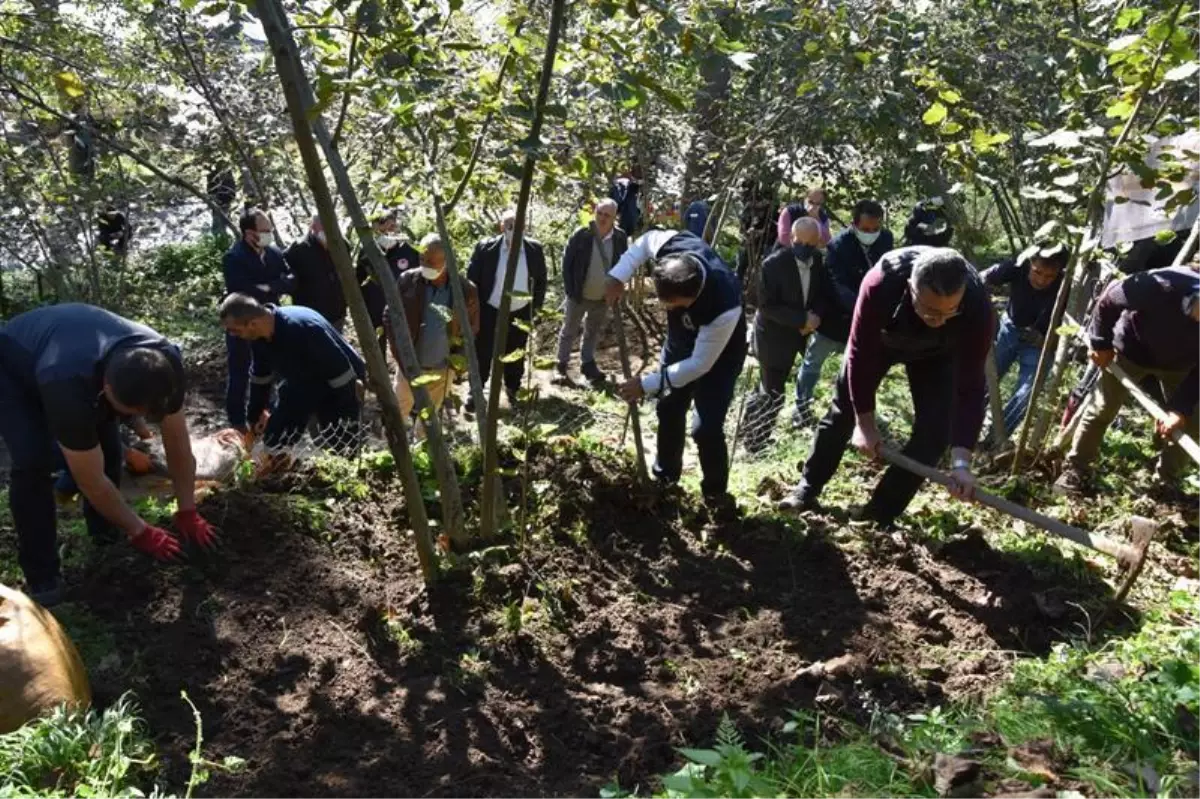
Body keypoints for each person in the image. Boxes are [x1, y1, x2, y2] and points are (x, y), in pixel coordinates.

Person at [0, 304, 218, 607]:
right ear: (106, 388)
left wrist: (187, 508)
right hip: (13, 367)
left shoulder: (165, 364)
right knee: (32, 461)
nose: (141, 418)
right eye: (131, 413)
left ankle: (105, 537)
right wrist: (140, 530)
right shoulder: (65, 383)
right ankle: (43, 577)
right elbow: (90, 479)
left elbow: (179, 446)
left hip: (81, 356)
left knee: (110, 451)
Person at [778, 247, 994, 528]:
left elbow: (971, 386)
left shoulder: (978, 306)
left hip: (938, 355)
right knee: (844, 410)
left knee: (935, 434)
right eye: (930, 310)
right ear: (910, 289)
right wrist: (865, 424)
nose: (938, 320)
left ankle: (879, 514)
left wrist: (962, 463)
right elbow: (858, 353)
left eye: (949, 311)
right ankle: (807, 489)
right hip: (880, 343)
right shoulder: (881, 282)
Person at [606, 229, 747, 511]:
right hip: (681, 344)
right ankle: (666, 479)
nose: (666, 308)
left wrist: (645, 384)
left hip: (719, 358)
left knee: (705, 428)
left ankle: (715, 495)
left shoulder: (724, 302)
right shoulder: (674, 246)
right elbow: (644, 241)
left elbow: (699, 364)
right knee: (669, 408)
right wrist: (617, 276)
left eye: (673, 305)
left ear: (692, 296)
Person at [1055, 266, 1200, 496]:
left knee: (1191, 421)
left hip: (1180, 365)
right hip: (1132, 351)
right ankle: (1076, 468)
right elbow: (1109, 299)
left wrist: (1180, 409)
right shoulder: (1160, 284)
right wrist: (1101, 344)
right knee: (1102, 407)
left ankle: (1165, 482)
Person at [219, 295, 366, 457]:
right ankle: (274, 465)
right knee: (275, 436)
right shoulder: (258, 337)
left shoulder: (302, 328)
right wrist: (255, 416)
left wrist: (347, 408)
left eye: (236, 331)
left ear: (253, 323)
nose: (234, 336)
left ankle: (350, 460)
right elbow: (261, 377)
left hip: (339, 381)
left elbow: (341, 372)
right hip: (301, 382)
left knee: (341, 441)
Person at [793, 199, 894, 427]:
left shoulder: (885, 240)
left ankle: (864, 411)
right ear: (854, 224)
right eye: (866, 229)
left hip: (868, 319)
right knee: (813, 363)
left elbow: (888, 274)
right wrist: (863, 306)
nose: (871, 233)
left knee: (863, 368)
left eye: (875, 229)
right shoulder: (838, 246)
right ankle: (801, 407)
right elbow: (837, 286)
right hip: (835, 316)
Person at [742, 218, 830, 453]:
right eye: (800, 242)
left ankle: (748, 429)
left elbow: (823, 294)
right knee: (774, 393)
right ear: (791, 239)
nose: (805, 248)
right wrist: (801, 320)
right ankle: (755, 444)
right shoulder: (773, 265)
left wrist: (814, 318)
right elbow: (766, 305)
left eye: (811, 243)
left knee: (768, 388)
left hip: (799, 335)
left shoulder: (819, 260)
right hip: (772, 337)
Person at [981, 237, 1068, 437]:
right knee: (985, 382)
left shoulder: (1068, 285)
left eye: (1049, 276)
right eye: (1037, 272)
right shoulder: (1017, 265)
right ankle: (966, 429)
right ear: (1030, 263)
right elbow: (981, 278)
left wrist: (1050, 341)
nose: (1041, 280)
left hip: (1041, 344)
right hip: (1009, 329)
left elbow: (1076, 323)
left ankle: (996, 440)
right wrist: (989, 309)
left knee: (1025, 397)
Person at [390, 234, 480, 428]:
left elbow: (471, 329)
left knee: (429, 420)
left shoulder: (464, 290)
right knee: (398, 411)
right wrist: (399, 354)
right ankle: (394, 451)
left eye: (430, 261)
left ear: (446, 260)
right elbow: (390, 317)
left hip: (441, 370)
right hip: (409, 367)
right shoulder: (408, 281)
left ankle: (422, 452)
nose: (424, 264)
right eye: (421, 258)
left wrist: (457, 366)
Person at [222, 208, 294, 438]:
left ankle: (268, 414)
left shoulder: (273, 253)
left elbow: (290, 280)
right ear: (249, 233)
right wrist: (273, 285)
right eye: (264, 231)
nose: (269, 234)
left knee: (271, 368)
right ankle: (237, 420)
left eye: (270, 230)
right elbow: (241, 289)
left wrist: (269, 287)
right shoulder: (234, 257)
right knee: (240, 370)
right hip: (241, 323)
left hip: (269, 322)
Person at [467, 210, 548, 407]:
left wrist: (534, 309)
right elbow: (472, 280)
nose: (514, 229)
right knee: (483, 352)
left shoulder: (534, 250)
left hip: (520, 310)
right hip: (490, 309)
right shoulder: (486, 248)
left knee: (516, 352)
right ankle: (476, 392)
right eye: (510, 225)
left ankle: (513, 389)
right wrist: (474, 310)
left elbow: (540, 281)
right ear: (501, 226)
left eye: (518, 225)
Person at [555, 198, 628, 385]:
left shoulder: (619, 238)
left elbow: (625, 265)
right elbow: (567, 264)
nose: (602, 218)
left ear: (614, 218)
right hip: (578, 294)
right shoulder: (582, 235)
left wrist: (617, 289)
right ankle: (561, 365)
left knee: (593, 331)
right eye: (600, 213)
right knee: (569, 330)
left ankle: (587, 364)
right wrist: (571, 290)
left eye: (607, 215)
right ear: (595, 212)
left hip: (603, 297)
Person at [357, 209, 421, 359]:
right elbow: (358, 279)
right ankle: (380, 374)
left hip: (402, 308)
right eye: (383, 229)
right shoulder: (367, 251)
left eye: (392, 227)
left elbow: (418, 280)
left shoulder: (409, 251)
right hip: (375, 307)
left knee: (404, 346)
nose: (389, 232)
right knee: (377, 344)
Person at [285, 215, 348, 331]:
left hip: (337, 313)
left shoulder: (342, 245)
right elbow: (288, 279)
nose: (327, 230)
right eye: (323, 227)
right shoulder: (297, 250)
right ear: (312, 227)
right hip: (312, 316)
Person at [610, 166, 642, 235]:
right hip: (625, 220)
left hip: (629, 222)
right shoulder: (623, 182)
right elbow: (617, 200)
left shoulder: (639, 188)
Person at [207, 164, 237, 237]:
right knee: (218, 223)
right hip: (219, 203)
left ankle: (222, 237)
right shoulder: (217, 180)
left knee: (221, 223)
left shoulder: (228, 181)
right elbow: (211, 192)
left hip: (224, 202)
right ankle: (219, 237)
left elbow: (231, 194)